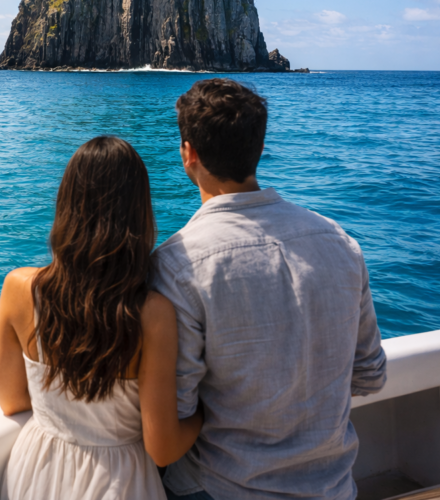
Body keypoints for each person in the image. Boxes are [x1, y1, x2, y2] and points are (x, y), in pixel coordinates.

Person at [152, 78, 387, 500]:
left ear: (189, 154)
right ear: (259, 149)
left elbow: (177, 410)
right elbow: (370, 375)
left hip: (221, 489)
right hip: (334, 488)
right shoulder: (340, 242)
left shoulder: (176, 265)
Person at [0, 136, 204, 500]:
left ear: (67, 202)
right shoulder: (151, 313)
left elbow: (12, 401)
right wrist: (206, 415)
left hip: (36, 469)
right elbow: (163, 448)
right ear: (139, 212)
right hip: (119, 481)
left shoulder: (18, 288)